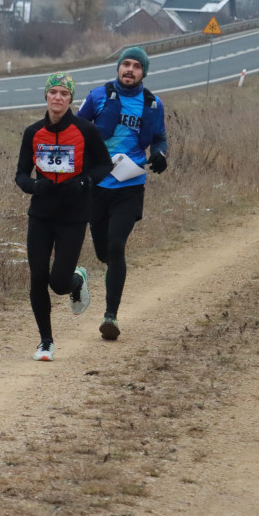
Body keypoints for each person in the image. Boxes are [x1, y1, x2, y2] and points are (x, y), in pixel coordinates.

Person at [16, 72, 112, 361]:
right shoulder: (33, 133)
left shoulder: (85, 131)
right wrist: (34, 186)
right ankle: (46, 342)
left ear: (71, 99)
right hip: (41, 214)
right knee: (37, 278)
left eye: (64, 94)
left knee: (57, 283)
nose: (58, 98)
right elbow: (21, 173)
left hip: (73, 215)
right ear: (46, 96)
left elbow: (105, 165)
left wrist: (84, 182)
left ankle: (76, 280)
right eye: (53, 92)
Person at [76, 46, 168, 341]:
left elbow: (159, 138)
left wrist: (161, 154)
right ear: (118, 68)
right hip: (97, 186)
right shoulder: (97, 97)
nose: (130, 69)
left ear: (144, 72)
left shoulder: (153, 104)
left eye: (136, 66)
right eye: (125, 64)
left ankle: (110, 316)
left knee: (116, 247)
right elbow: (77, 130)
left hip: (129, 186)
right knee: (103, 251)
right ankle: (86, 277)